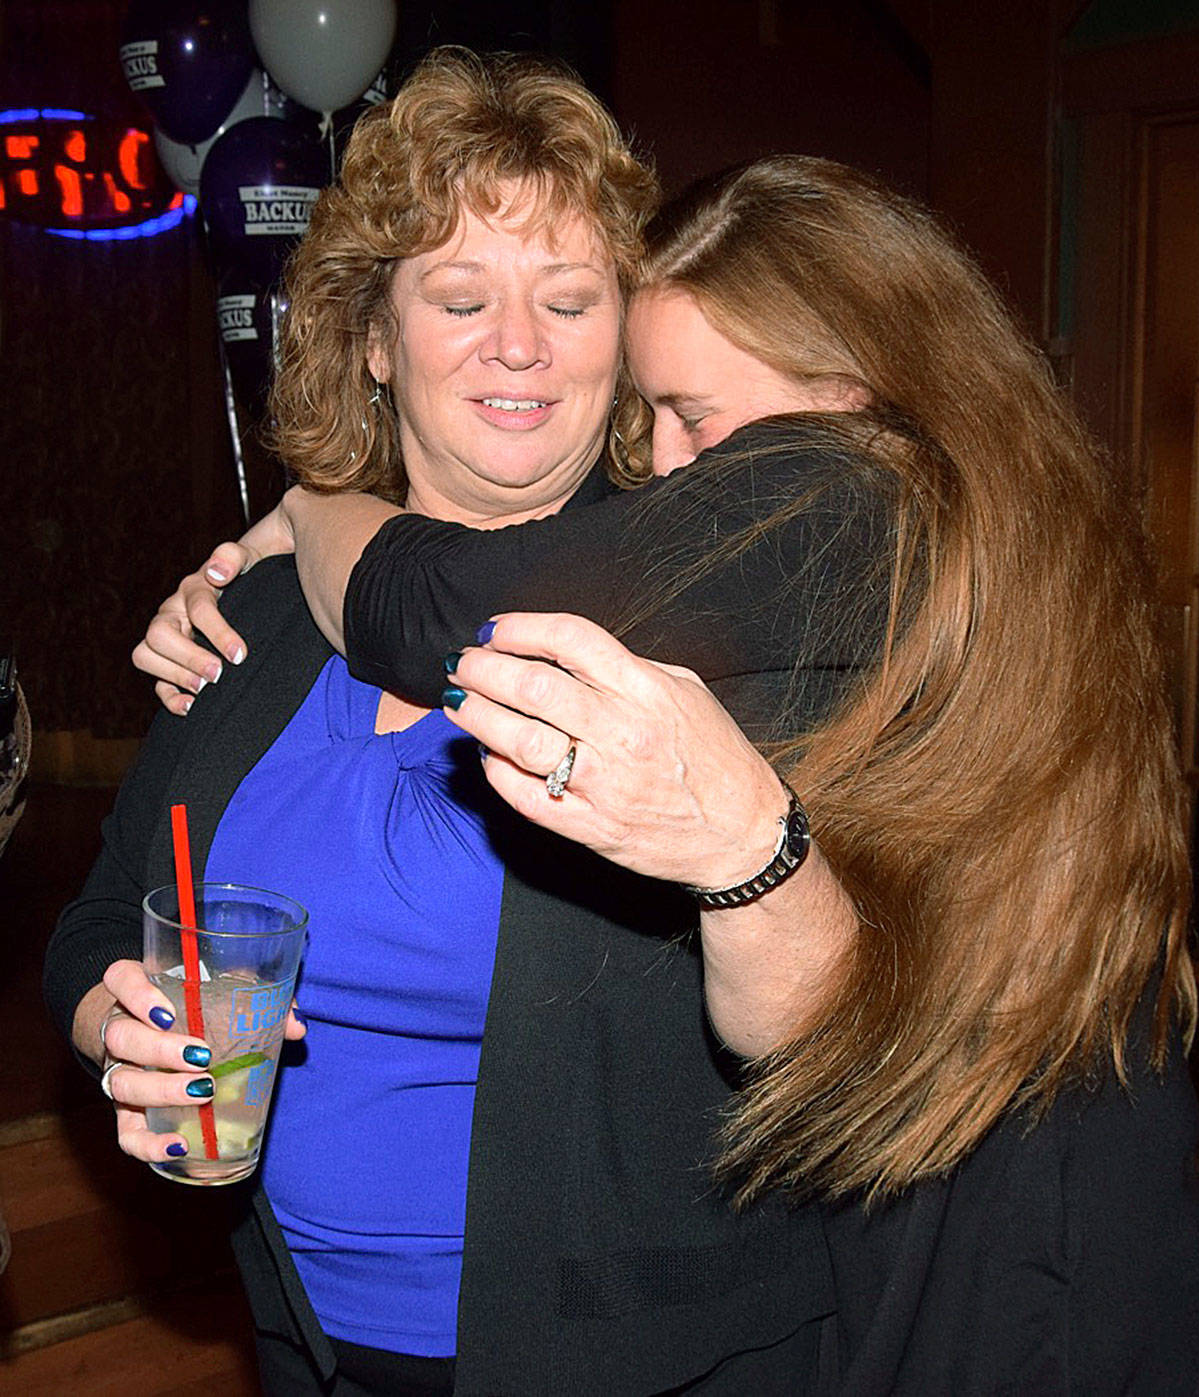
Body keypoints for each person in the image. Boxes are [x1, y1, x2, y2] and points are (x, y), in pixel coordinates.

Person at [127, 151, 1199, 1393]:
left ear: (851, 388)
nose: (670, 459)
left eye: (696, 416)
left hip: (1012, 1229)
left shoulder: (849, 490)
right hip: (980, 1159)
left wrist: (310, 503)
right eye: (649, 413)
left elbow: (435, 607)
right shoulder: (964, 505)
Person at [45, 54, 888, 1396]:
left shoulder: (696, 611)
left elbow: (852, 1025)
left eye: (571, 299)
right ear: (373, 339)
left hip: (638, 1362)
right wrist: (121, 1024)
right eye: (459, 295)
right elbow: (105, 915)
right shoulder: (261, 612)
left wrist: (314, 509)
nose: (521, 345)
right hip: (306, 1342)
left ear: (627, 342)